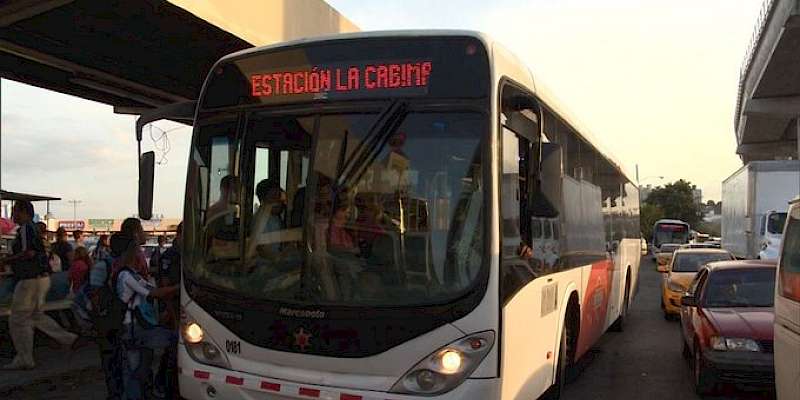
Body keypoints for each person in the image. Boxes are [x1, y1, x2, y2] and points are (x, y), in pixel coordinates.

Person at [0, 200, 79, 370]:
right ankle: (66, 338)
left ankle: (24, 358)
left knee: (18, 319)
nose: (13, 215)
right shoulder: (34, 229)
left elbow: (28, 253)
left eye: (15, 211)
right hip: (41, 279)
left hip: (29, 279)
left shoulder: (26, 229)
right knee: (35, 315)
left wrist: (6, 259)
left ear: (23, 212)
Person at [114, 238, 178, 400]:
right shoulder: (127, 276)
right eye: (139, 252)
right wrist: (181, 285)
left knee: (137, 369)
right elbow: (156, 293)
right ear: (131, 255)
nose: (142, 255)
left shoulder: (126, 274)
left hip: (134, 327)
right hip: (134, 328)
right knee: (175, 340)